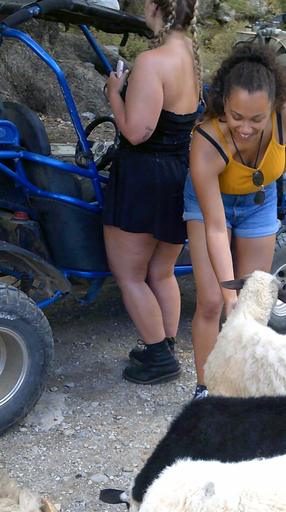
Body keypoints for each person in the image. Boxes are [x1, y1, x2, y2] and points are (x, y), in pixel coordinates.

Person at [185, 42, 286, 399]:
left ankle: (244, 391)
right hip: (212, 204)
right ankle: (206, 391)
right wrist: (230, 294)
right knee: (214, 300)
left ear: (274, 108)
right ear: (222, 104)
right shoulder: (207, 142)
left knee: (254, 302)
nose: (245, 127)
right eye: (235, 115)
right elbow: (214, 228)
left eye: (257, 119)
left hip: (258, 201)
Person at [102, 0, 201, 385]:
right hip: (178, 172)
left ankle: (159, 357)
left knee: (129, 275)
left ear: (154, 6)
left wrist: (115, 93)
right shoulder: (190, 55)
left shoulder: (152, 60)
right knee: (161, 271)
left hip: (143, 176)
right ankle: (164, 343)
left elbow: (136, 132)